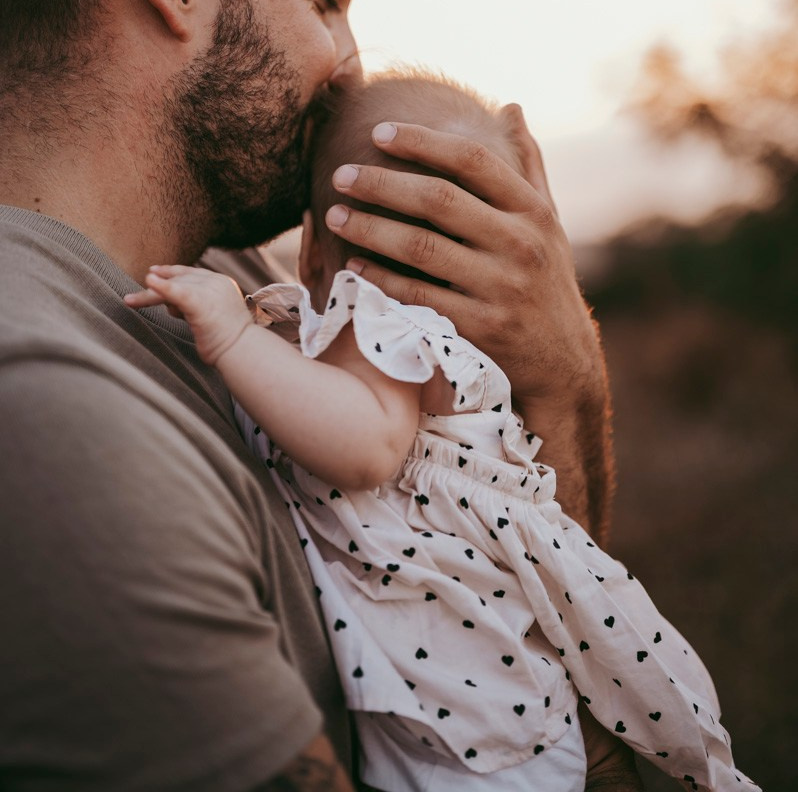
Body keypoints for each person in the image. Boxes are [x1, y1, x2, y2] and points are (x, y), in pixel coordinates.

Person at [1, 0, 623, 790]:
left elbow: (504, 657)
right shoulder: (44, 403)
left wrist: (560, 375)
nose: (346, 64)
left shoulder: (236, 280)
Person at [126, 71, 758, 792]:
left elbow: (364, 447)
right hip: (497, 714)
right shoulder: (457, 365)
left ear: (312, 255)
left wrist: (235, 336)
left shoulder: (388, 327)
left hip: (467, 728)